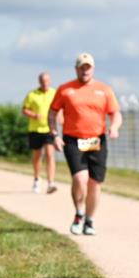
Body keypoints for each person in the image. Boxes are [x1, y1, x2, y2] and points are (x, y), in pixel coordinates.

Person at [49, 53, 122, 236]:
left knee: (95, 183)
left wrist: (114, 127)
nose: (85, 70)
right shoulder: (65, 89)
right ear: (76, 69)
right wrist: (55, 134)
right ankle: (79, 212)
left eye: (88, 67)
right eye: (82, 67)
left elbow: (115, 113)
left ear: (93, 69)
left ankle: (89, 220)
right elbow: (52, 113)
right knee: (80, 179)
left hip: (96, 139)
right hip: (72, 139)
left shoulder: (104, 90)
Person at [22, 72, 58, 194]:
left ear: (50, 81)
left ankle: (50, 182)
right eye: (43, 81)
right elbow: (24, 110)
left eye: (47, 81)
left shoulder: (54, 93)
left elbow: (59, 109)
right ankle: (37, 179)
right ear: (39, 82)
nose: (45, 83)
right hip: (35, 129)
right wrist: (33, 115)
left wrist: (61, 118)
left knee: (50, 154)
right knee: (37, 156)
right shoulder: (32, 95)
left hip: (49, 129)